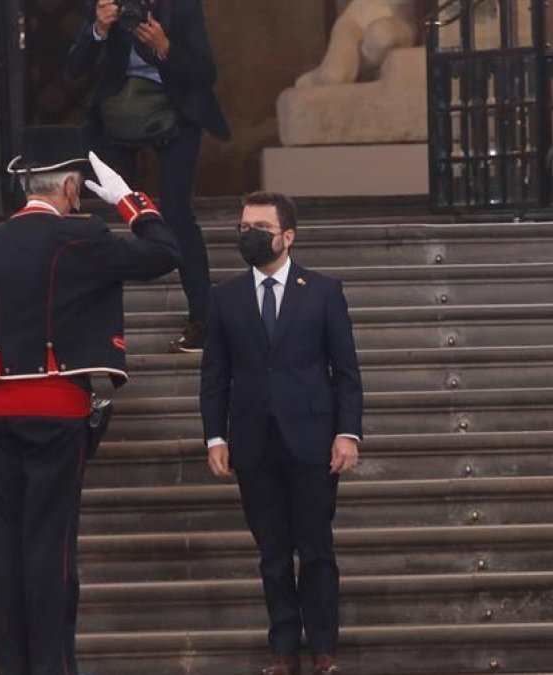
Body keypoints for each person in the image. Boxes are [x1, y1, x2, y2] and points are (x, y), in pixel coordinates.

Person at [0, 125, 180, 675]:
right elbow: (164, 253)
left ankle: (14, 664)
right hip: (56, 408)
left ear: (27, 182)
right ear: (74, 187)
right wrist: (127, 199)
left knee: (7, 549)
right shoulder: (83, 237)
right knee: (50, 550)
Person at [201, 191, 364, 675]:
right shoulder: (224, 297)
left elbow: (346, 372)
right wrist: (215, 437)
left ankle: (325, 650)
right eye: (242, 227)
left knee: (316, 550)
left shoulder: (323, 291)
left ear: (287, 236)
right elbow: (214, 376)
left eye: (258, 228)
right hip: (253, 442)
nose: (247, 235)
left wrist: (347, 434)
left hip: (313, 441)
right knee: (272, 553)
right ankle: (283, 652)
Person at [66, 0, 230, 353]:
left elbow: (206, 73)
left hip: (176, 111)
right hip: (119, 114)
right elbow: (74, 67)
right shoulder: (104, 7)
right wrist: (99, 29)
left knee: (177, 212)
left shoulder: (182, 8)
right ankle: (89, 321)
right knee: (102, 210)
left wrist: (164, 46)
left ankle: (202, 318)